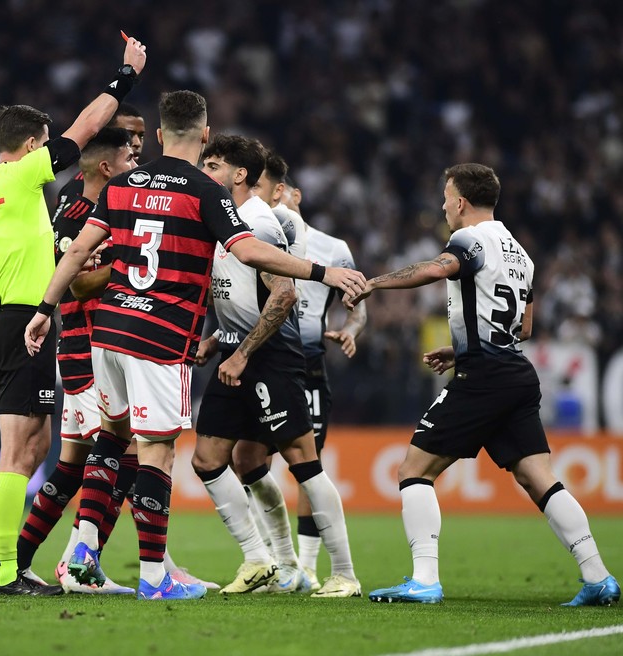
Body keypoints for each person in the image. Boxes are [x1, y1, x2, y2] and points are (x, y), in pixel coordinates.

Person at [24, 90, 367, 600]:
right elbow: (248, 250)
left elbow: (77, 251)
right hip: (159, 337)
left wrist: (43, 310)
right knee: (157, 454)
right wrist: (324, 270)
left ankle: (84, 551)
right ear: (204, 135)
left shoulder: (122, 185)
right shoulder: (206, 191)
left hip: (109, 333)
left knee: (112, 438)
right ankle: (155, 577)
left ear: (159, 136)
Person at [347, 163, 619, 606]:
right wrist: (461, 348)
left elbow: (438, 270)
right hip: (515, 372)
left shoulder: (468, 240)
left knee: (413, 471)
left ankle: (424, 580)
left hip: (485, 378)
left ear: (460, 202)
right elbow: (524, 326)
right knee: (538, 477)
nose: (442, 206)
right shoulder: (521, 254)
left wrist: (374, 283)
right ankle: (598, 577)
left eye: (445, 197)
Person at [0, 35, 147, 596]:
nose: (53, 156)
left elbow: (23, 250)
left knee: (32, 448)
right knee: (21, 451)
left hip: (3, 315)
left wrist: (63, 258)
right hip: (23, 321)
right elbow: (86, 129)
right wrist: (125, 75)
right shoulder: (20, 175)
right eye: (46, 145)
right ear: (28, 146)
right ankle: (2, 570)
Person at [192, 136, 360, 598]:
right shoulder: (223, 218)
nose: (205, 170)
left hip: (270, 357)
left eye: (213, 164)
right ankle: (270, 563)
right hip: (235, 352)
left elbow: (284, 294)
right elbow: (240, 293)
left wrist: (243, 352)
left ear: (239, 175)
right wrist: (217, 341)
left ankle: (344, 573)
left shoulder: (260, 221)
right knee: (215, 460)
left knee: (303, 461)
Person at [14, 127, 138, 594]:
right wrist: (132, 266)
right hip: (88, 350)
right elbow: (80, 284)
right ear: (105, 167)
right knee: (122, 454)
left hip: (85, 347)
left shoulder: (74, 196)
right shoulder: (82, 212)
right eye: (129, 157)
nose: (135, 166)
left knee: (71, 466)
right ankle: (81, 566)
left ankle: (14, 558)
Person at [243, 168, 369, 592]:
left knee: (304, 465)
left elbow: (359, 303)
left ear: (286, 192)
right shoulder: (253, 236)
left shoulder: (333, 249)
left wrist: (351, 329)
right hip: (262, 361)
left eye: (261, 188)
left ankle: (310, 567)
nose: (255, 197)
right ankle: (282, 561)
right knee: (249, 459)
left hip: (308, 366)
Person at [54, 103, 147, 207]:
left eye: (141, 135)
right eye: (129, 134)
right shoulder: (79, 188)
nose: (137, 142)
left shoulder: (145, 181)